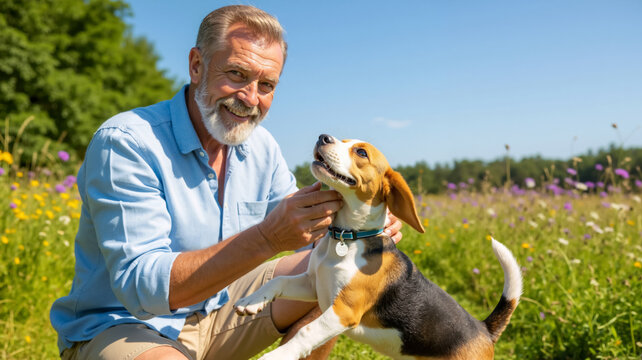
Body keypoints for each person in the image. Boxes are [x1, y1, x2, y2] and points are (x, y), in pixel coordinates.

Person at [50, 5, 402, 360]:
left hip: (219, 310)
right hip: (125, 325)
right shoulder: (128, 142)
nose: (251, 98)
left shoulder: (261, 147)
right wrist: (267, 237)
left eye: (266, 85)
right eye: (236, 74)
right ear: (196, 65)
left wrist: (362, 228)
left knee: (330, 278)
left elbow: (313, 241)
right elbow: (142, 290)